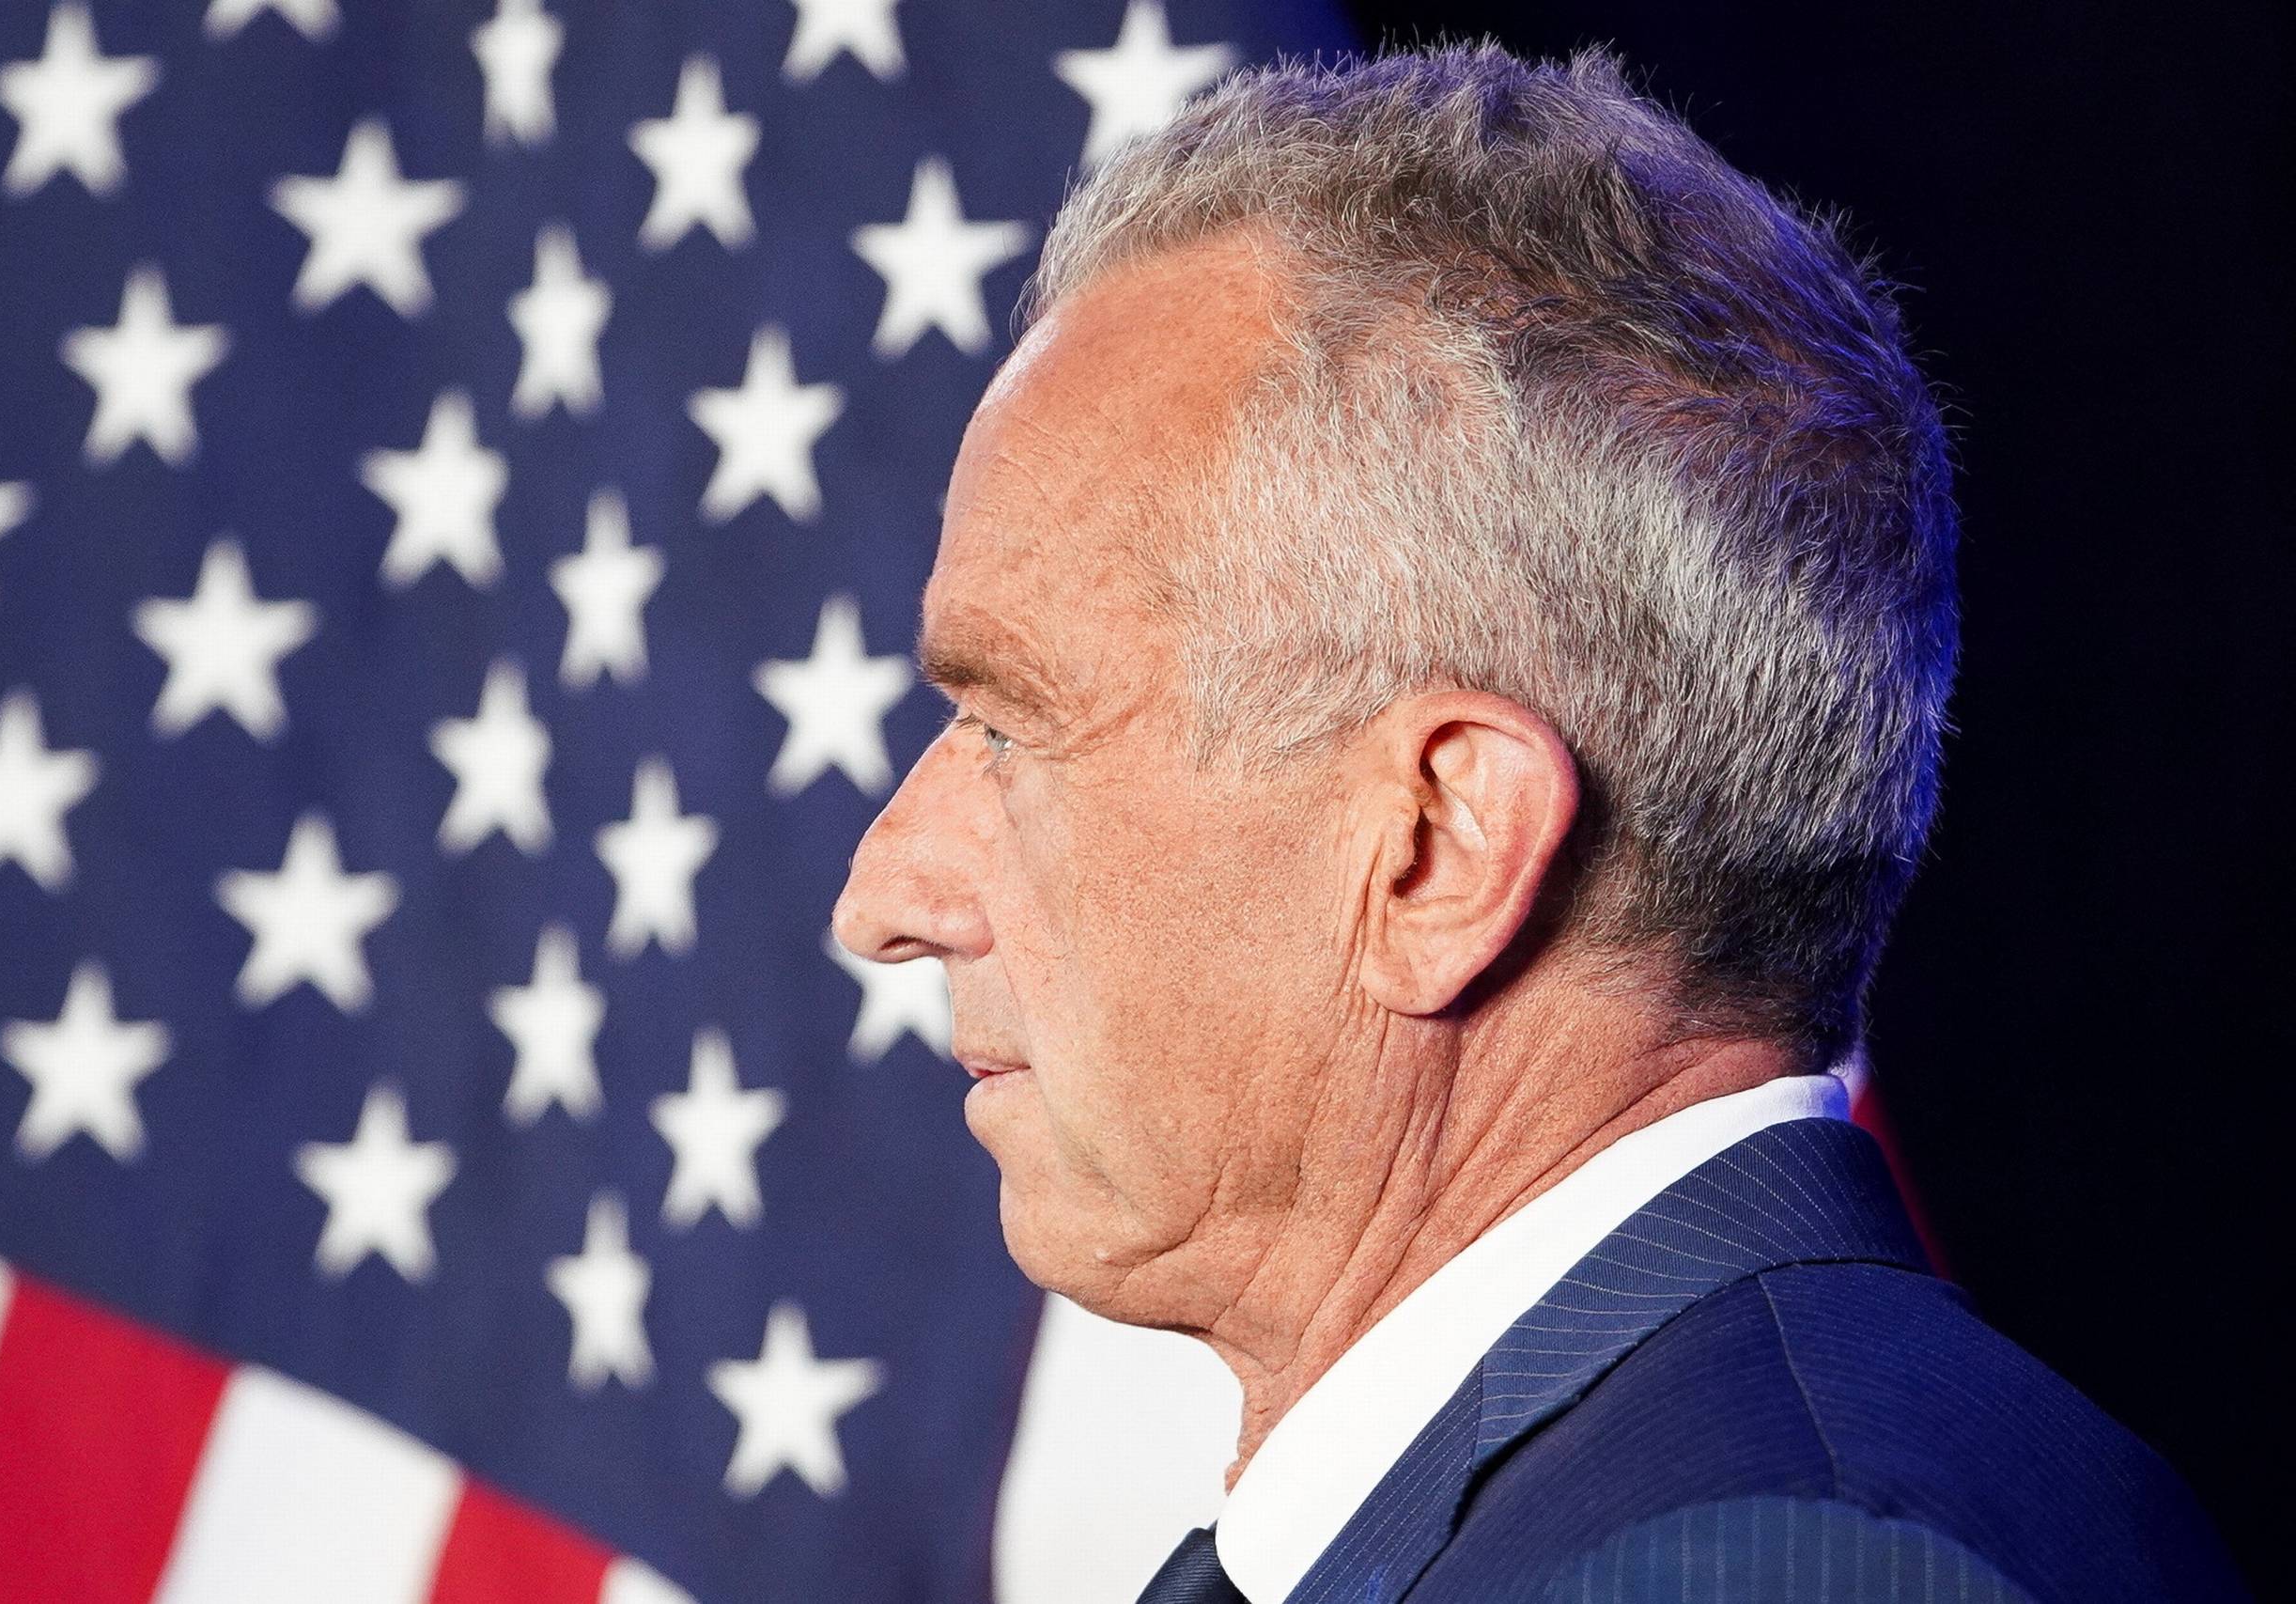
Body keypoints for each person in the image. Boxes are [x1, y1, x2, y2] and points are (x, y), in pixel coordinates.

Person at [830, 43, 2243, 1604]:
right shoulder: (1675, 1508)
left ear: (1438, 849)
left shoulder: (1774, 1571)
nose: (884, 894)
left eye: (1009, 725)